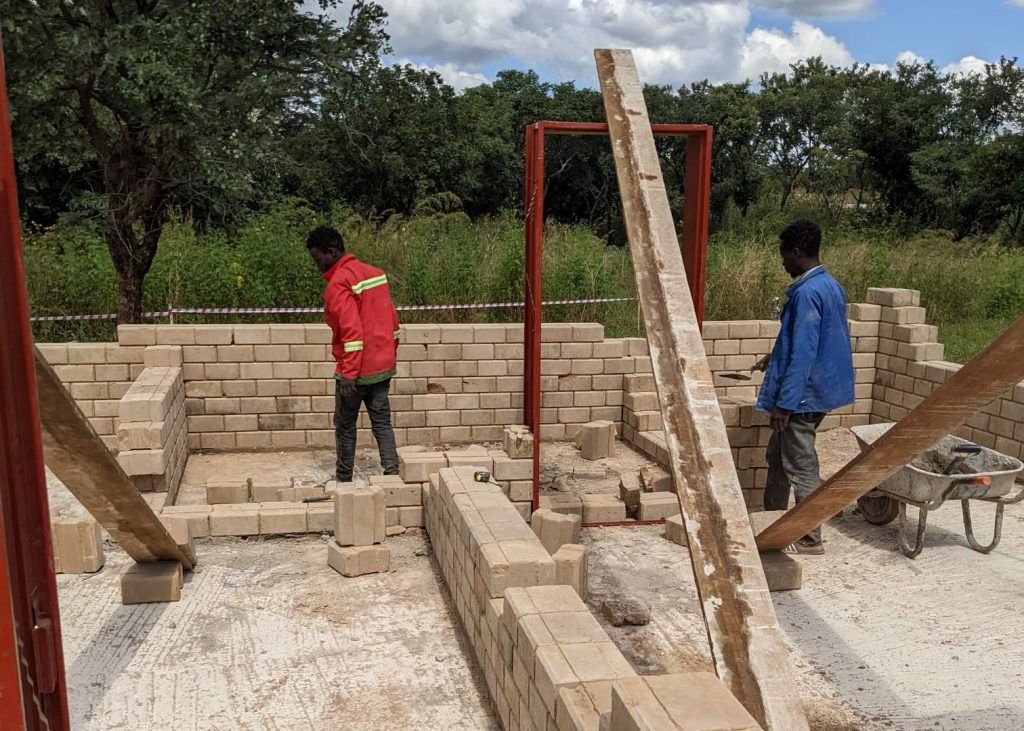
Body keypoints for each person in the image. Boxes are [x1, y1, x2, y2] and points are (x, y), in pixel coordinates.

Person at [753, 220, 854, 555]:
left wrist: (786, 402)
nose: (783, 263)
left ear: (796, 252)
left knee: (799, 463)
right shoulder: (829, 285)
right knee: (778, 457)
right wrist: (774, 356)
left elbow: (806, 352)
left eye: (784, 256)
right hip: (818, 389)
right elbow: (815, 340)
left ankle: (810, 537)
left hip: (803, 395)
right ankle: (773, 522)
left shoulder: (807, 293)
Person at [307, 226, 400, 482]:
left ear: (332, 251)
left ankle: (344, 479)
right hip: (382, 367)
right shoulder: (375, 274)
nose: (318, 266)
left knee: (346, 426)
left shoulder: (339, 283)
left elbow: (352, 332)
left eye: (318, 259)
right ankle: (392, 476)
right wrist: (388, 356)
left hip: (355, 372)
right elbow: (392, 322)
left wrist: (349, 374)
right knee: (382, 422)